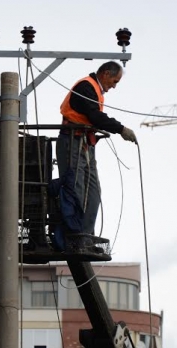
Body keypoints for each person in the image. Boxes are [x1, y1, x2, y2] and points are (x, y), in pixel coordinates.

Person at [56, 61, 137, 235]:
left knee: (93, 192)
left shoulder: (94, 89)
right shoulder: (86, 86)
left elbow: (94, 117)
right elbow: (95, 116)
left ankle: (85, 234)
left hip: (84, 143)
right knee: (75, 188)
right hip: (72, 141)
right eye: (115, 81)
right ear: (106, 74)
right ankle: (73, 235)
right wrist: (120, 129)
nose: (114, 86)